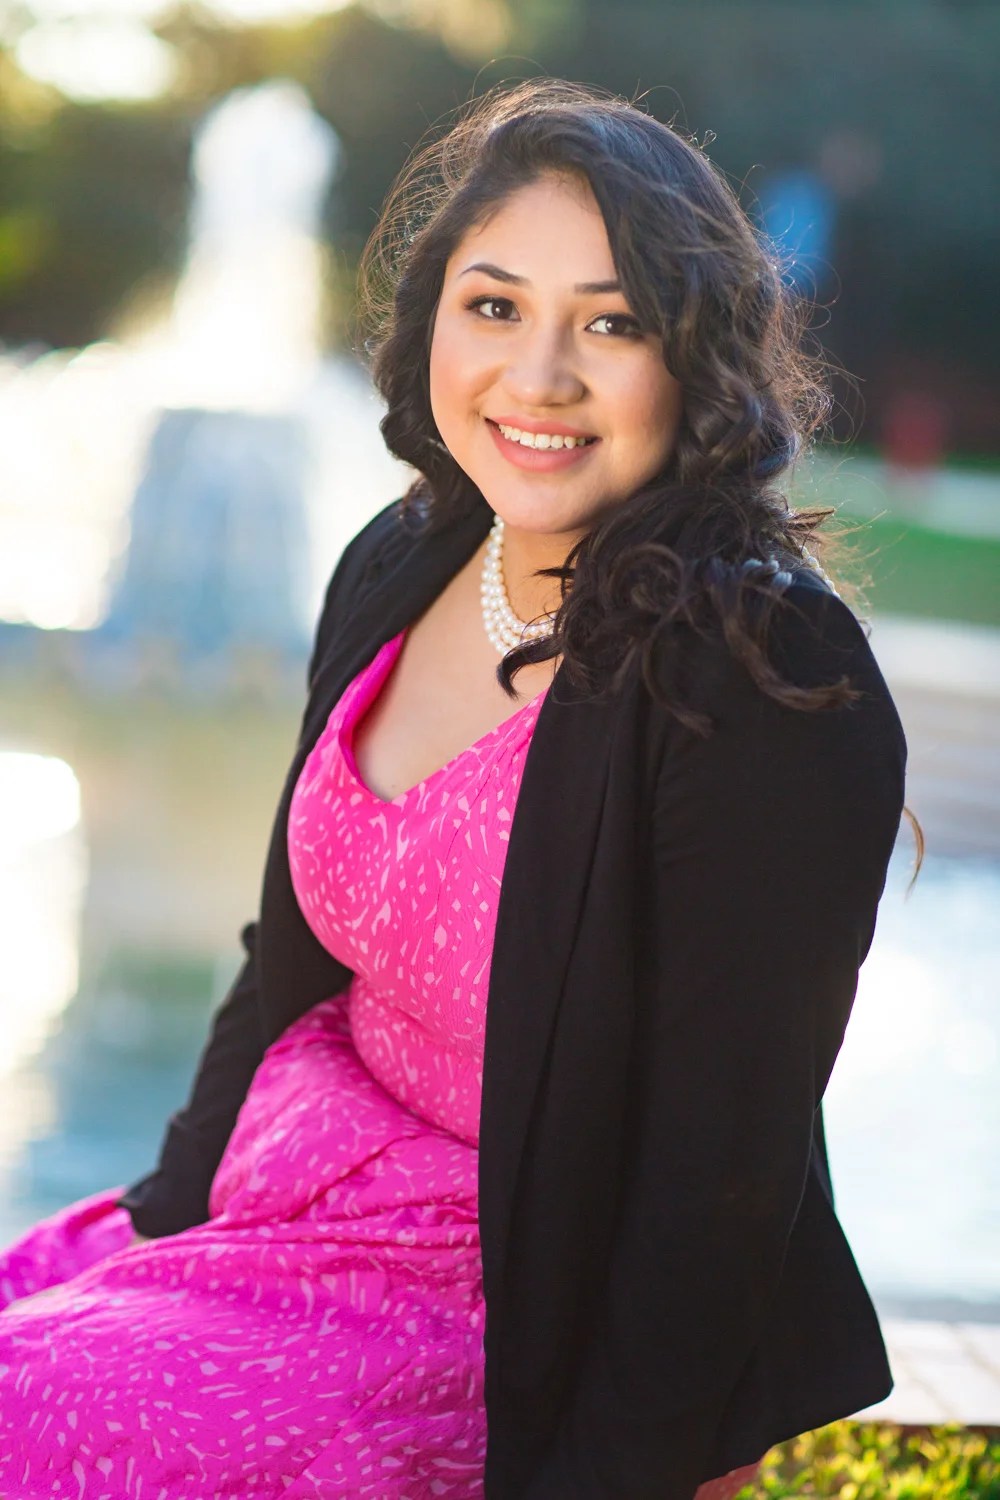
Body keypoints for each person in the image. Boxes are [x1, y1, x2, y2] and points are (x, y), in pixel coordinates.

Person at [0, 79, 910, 1499]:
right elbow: (280, 958)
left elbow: (719, 1166)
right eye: (494, 306)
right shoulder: (404, 557)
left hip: (501, 1291)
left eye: (611, 324)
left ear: (696, 358)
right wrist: (163, 1216)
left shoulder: (757, 669)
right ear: (432, 319)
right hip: (290, 1184)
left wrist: (609, 1475)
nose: (537, 377)